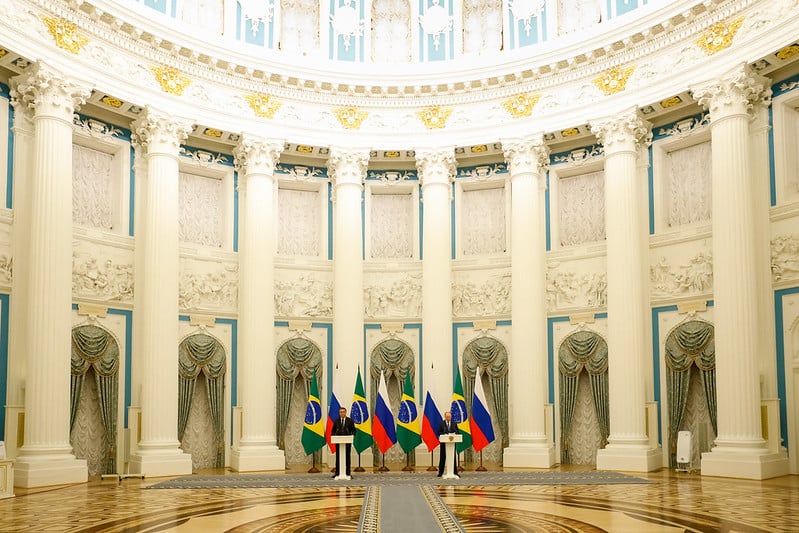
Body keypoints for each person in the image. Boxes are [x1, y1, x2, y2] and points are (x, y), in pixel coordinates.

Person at [331, 407, 355, 477]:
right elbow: (333, 431)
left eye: (343, 412)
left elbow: (353, 430)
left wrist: (351, 435)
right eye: (340, 412)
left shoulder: (350, 421)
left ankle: (348, 473)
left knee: (347, 457)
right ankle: (337, 472)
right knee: (338, 457)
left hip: (347, 442)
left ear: (345, 412)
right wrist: (333, 436)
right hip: (338, 443)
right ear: (339, 413)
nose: (342, 413)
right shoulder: (336, 421)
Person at [437, 410, 460, 478]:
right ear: (445, 417)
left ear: (451, 417)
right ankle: (440, 472)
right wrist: (444, 434)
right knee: (442, 458)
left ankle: (455, 472)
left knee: (453, 458)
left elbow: (457, 432)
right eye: (447, 417)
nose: (448, 418)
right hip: (444, 443)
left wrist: (454, 433)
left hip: (452, 444)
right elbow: (439, 432)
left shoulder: (454, 423)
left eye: (449, 417)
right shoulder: (441, 423)